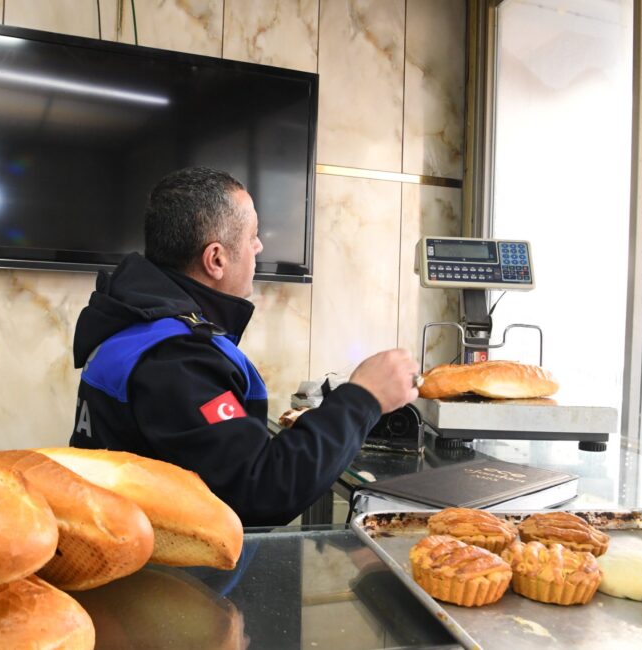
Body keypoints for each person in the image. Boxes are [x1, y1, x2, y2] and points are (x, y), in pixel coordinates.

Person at [70, 167, 419, 527]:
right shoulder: (174, 359)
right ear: (216, 259)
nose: (259, 246)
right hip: (165, 577)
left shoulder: (134, 322)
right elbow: (263, 489)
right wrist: (364, 397)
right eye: (253, 235)